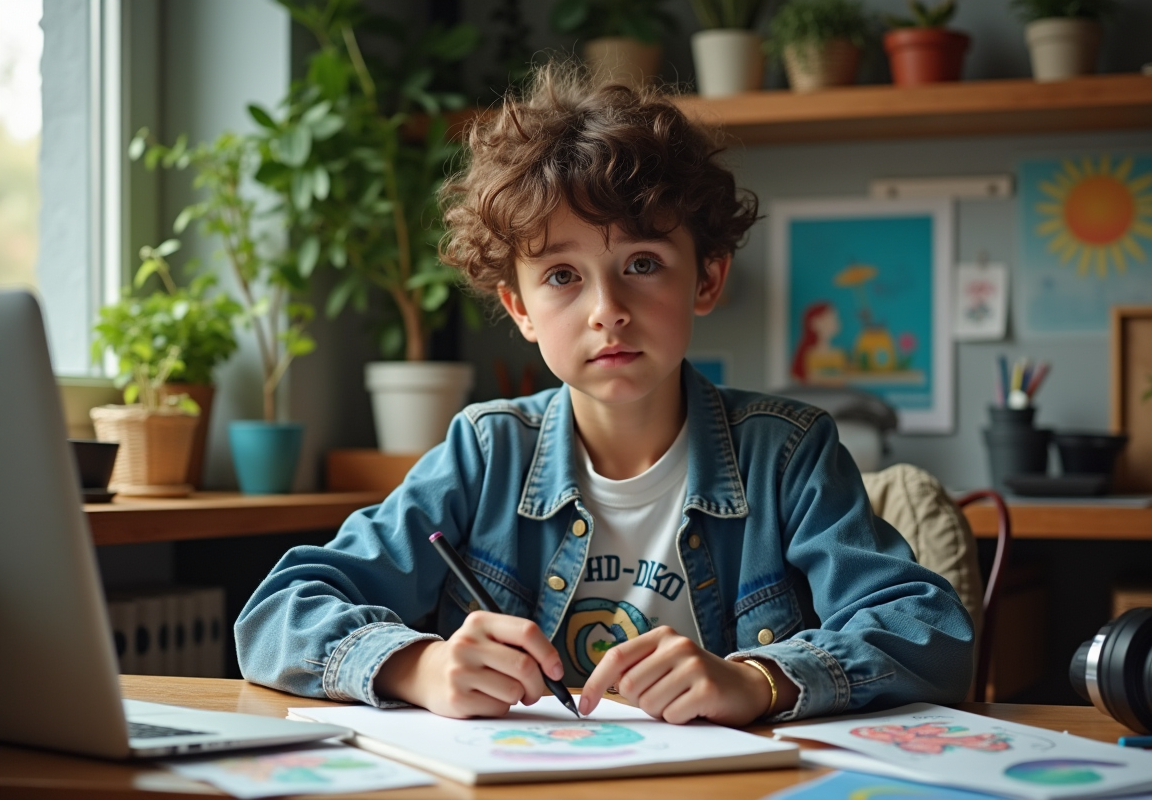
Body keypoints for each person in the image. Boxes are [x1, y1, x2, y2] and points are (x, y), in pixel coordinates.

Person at [235, 64, 974, 727]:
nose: (607, 311)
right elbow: (278, 612)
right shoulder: (485, 452)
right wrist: (417, 666)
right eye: (562, 276)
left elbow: (929, 629)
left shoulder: (786, 454)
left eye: (642, 263)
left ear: (707, 278)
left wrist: (759, 680)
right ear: (520, 308)